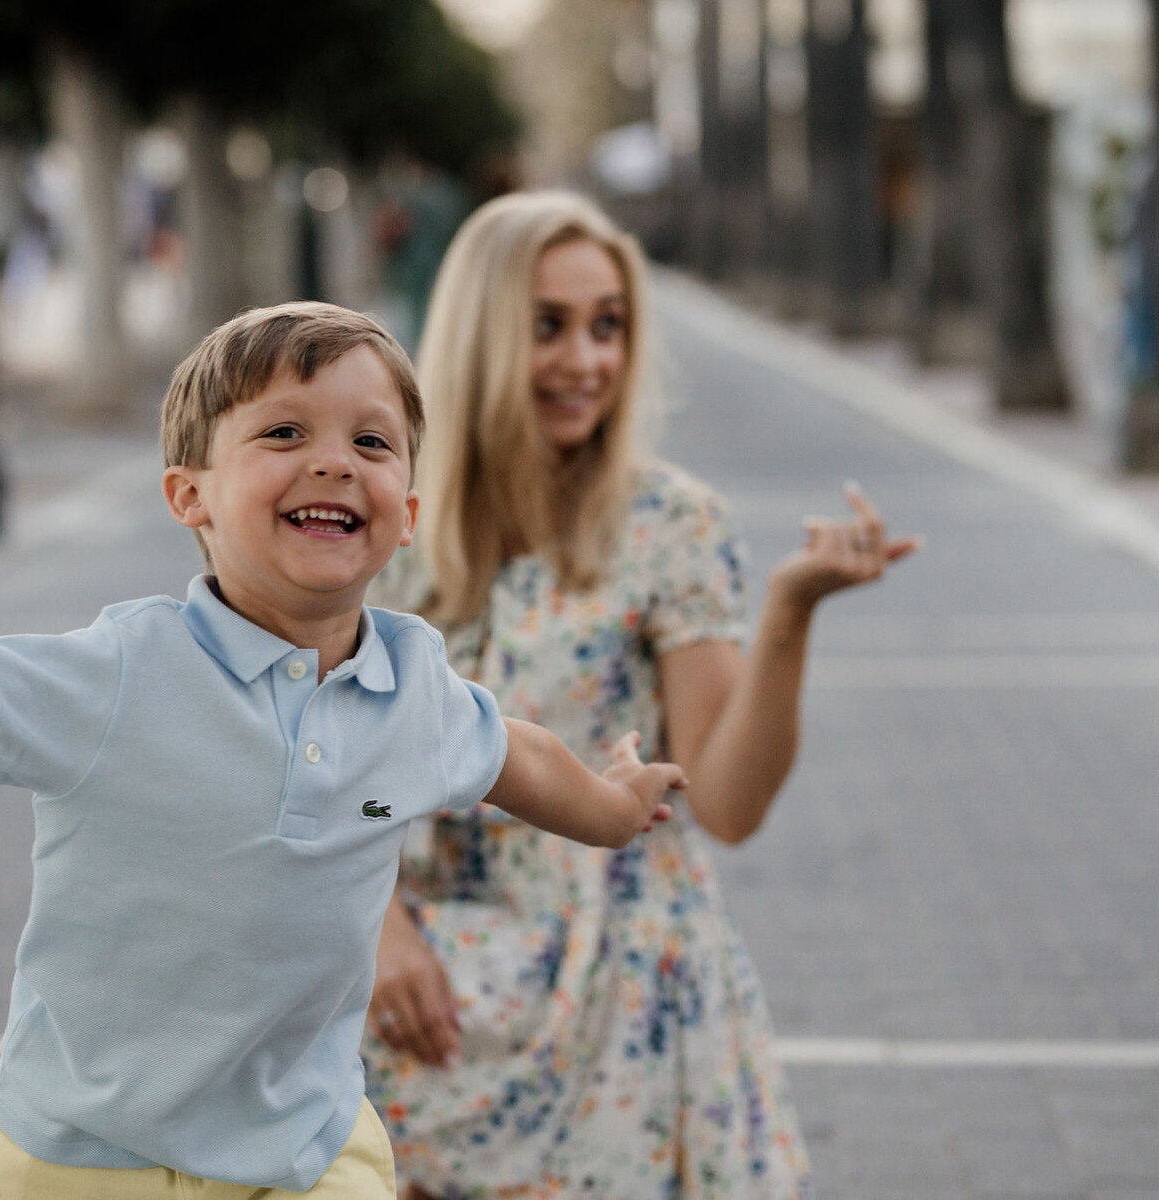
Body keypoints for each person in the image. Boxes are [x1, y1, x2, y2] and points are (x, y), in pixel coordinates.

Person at [0, 301, 688, 1200]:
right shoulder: (123, 671)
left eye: (370, 443)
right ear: (192, 497)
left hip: (302, 1154)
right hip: (86, 1156)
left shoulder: (416, 689)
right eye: (283, 435)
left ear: (406, 513)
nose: (333, 460)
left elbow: (519, 755)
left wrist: (605, 806)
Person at [361, 193, 918, 1200]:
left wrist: (790, 611)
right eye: (549, 326)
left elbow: (733, 807)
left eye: (608, 325)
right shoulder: (383, 520)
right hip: (427, 995)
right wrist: (378, 928)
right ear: (481, 334)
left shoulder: (670, 521)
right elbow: (301, 756)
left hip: (624, 992)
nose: (587, 359)